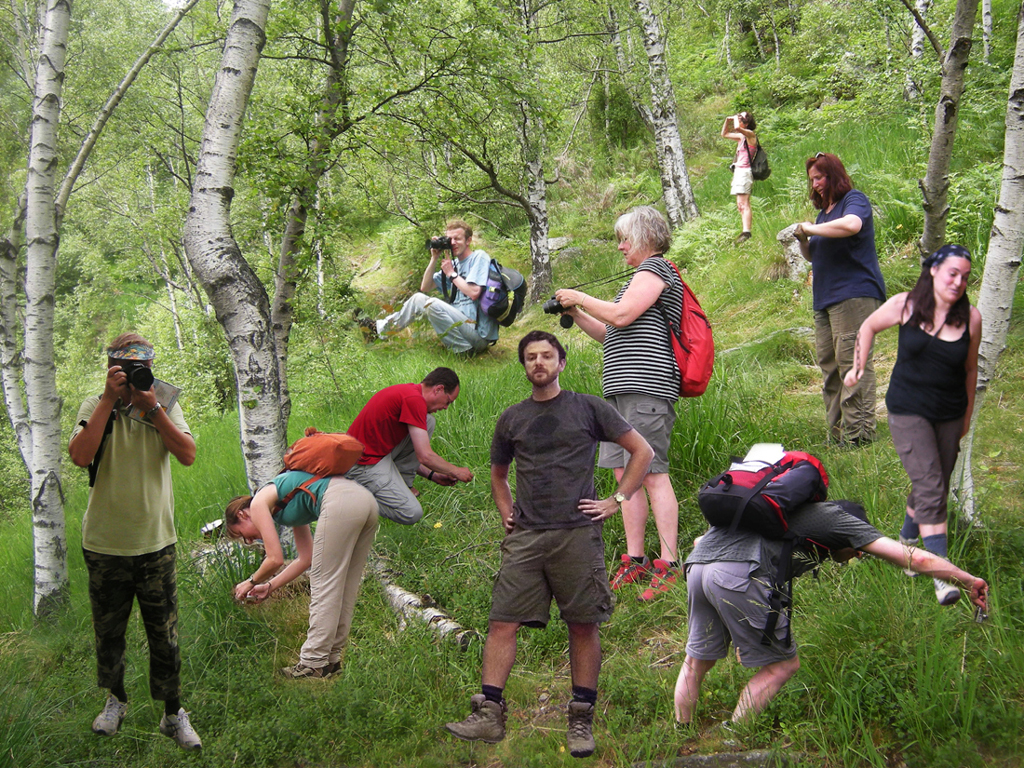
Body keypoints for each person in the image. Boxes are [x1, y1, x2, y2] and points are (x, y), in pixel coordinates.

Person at [445, 331, 654, 758]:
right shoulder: (512, 418)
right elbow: (499, 475)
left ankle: (581, 717)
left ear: (561, 363)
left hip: (576, 533)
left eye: (546, 356)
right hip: (526, 536)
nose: (538, 362)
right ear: (524, 366)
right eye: (530, 357)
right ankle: (489, 713)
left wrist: (616, 500)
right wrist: (506, 511)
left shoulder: (588, 407)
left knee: (583, 623)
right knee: (502, 620)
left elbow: (642, 451)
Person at [674, 497, 989, 728]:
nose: (855, 556)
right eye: (856, 550)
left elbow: (701, 540)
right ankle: (734, 737)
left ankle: (681, 730)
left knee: (696, 660)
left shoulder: (786, 511)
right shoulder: (840, 521)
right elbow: (915, 559)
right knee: (782, 666)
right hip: (738, 573)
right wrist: (967, 580)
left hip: (697, 565)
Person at [68, 333, 202, 750]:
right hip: (104, 543)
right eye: (126, 368)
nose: (134, 375)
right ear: (111, 369)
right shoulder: (94, 405)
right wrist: (110, 399)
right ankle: (116, 700)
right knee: (109, 631)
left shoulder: (164, 404)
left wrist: (153, 409)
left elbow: (188, 455)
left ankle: (173, 713)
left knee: (165, 634)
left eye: (141, 368)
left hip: (155, 541)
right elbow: (79, 456)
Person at [554, 206, 683, 601]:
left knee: (652, 473)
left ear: (644, 236)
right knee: (625, 475)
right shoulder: (635, 279)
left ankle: (669, 563)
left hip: (647, 387)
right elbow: (610, 331)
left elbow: (622, 315)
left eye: (625, 239)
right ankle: (635, 558)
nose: (620, 246)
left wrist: (581, 295)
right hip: (620, 392)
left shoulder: (655, 270)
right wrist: (576, 312)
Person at [844, 244, 981, 605]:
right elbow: (869, 325)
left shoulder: (971, 317)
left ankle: (906, 543)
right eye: (952, 273)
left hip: (950, 413)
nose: (958, 282)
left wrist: (966, 417)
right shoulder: (905, 304)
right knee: (931, 486)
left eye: (965, 277)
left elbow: (970, 369)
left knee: (932, 483)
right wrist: (858, 367)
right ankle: (942, 575)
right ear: (934, 270)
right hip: (907, 410)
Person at [224, 472, 379, 678]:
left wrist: (250, 582)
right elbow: (306, 558)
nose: (249, 541)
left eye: (241, 534)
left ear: (242, 515)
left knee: (323, 584)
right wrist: (269, 587)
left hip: (340, 502)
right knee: (346, 585)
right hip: (365, 501)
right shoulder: (286, 502)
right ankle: (331, 661)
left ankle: (312, 663)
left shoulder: (258, 503)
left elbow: (274, 559)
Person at [794, 152, 887, 446]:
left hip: (854, 295)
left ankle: (859, 434)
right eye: (811, 180)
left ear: (833, 175)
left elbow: (852, 226)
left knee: (852, 363)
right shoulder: (824, 214)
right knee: (830, 366)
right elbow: (813, 255)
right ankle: (837, 435)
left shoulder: (853, 201)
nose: (815, 184)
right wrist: (804, 239)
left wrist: (810, 228)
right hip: (825, 298)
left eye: (819, 177)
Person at [344, 367, 472, 525]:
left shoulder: (411, 393)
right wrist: (456, 471)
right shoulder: (413, 400)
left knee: (428, 421)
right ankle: (350, 497)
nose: (446, 407)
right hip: (361, 464)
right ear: (438, 389)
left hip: (378, 455)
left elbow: (412, 453)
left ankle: (403, 483)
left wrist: (433, 475)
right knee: (411, 512)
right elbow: (425, 456)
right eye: (448, 401)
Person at [361, 219, 498, 354]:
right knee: (418, 298)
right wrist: (434, 258)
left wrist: (451, 274)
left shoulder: (478, 257)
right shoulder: (454, 264)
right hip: (461, 326)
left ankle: (462, 350)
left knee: (431, 304)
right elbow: (425, 287)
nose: (453, 243)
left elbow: (474, 292)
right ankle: (378, 330)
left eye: (457, 239)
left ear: (468, 241)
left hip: (477, 335)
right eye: (450, 239)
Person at [721, 111, 758, 244]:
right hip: (739, 171)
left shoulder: (750, 135)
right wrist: (727, 120)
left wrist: (734, 119)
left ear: (746, 123)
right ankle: (745, 231)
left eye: (741, 118)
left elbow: (737, 128)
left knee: (744, 203)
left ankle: (746, 232)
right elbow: (724, 134)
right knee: (740, 204)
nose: (739, 119)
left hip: (744, 172)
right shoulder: (741, 137)